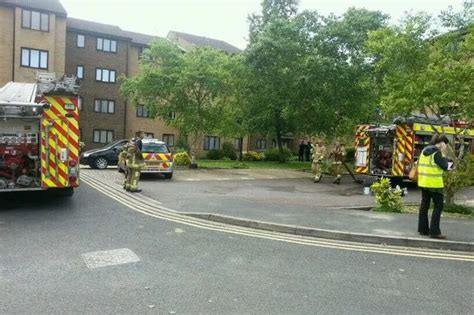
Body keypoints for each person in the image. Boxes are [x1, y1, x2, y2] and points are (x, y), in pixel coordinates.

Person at [417, 135, 451, 239]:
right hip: (435, 184)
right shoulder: (436, 153)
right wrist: (445, 155)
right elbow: (446, 167)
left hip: (423, 182)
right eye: (445, 145)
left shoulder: (424, 151)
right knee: (438, 207)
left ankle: (423, 229)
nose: (446, 147)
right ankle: (434, 232)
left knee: (424, 206)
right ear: (442, 143)